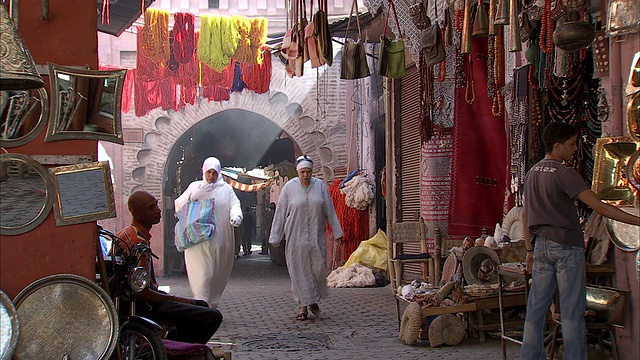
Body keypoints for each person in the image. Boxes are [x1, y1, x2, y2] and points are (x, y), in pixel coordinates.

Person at [519, 122, 640, 360]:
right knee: (572, 312)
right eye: (572, 144)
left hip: (541, 246)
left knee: (535, 310)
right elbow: (597, 206)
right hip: (565, 247)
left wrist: (529, 249)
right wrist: (635, 220)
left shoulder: (532, 173)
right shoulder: (565, 174)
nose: (575, 149)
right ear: (557, 146)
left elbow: (525, 214)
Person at [117, 191, 223, 344]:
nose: (158, 210)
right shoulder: (137, 242)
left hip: (141, 299)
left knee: (200, 305)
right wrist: (176, 298)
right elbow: (142, 293)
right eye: (150, 208)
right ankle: (175, 350)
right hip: (142, 305)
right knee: (212, 316)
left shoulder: (128, 233)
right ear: (137, 214)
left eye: (156, 205)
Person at [269, 155, 344, 321]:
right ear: (298, 172)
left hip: (316, 237)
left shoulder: (320, 187)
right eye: (303, 172)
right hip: (296, 237)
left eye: (308, 172)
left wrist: (338, 233)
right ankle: (303, 306)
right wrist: (275, 237)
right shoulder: (289, 188)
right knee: (299, 272)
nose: (306, 175)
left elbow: (329, 210)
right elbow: (281, 213)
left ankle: (312, 300)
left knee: (317, 270)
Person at [175, 157, 243, 308]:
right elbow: (179, 205)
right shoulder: (195, 187)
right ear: (203, 171)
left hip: (220, 239)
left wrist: (236, 216)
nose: (211, 176)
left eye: (214, 172)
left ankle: (211, 304)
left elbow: (235, 204)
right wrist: (195, 197)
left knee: (217, 274)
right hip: (198, 241)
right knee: (204, 275)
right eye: (208, 172)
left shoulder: (226, 189)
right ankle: (201, 303)